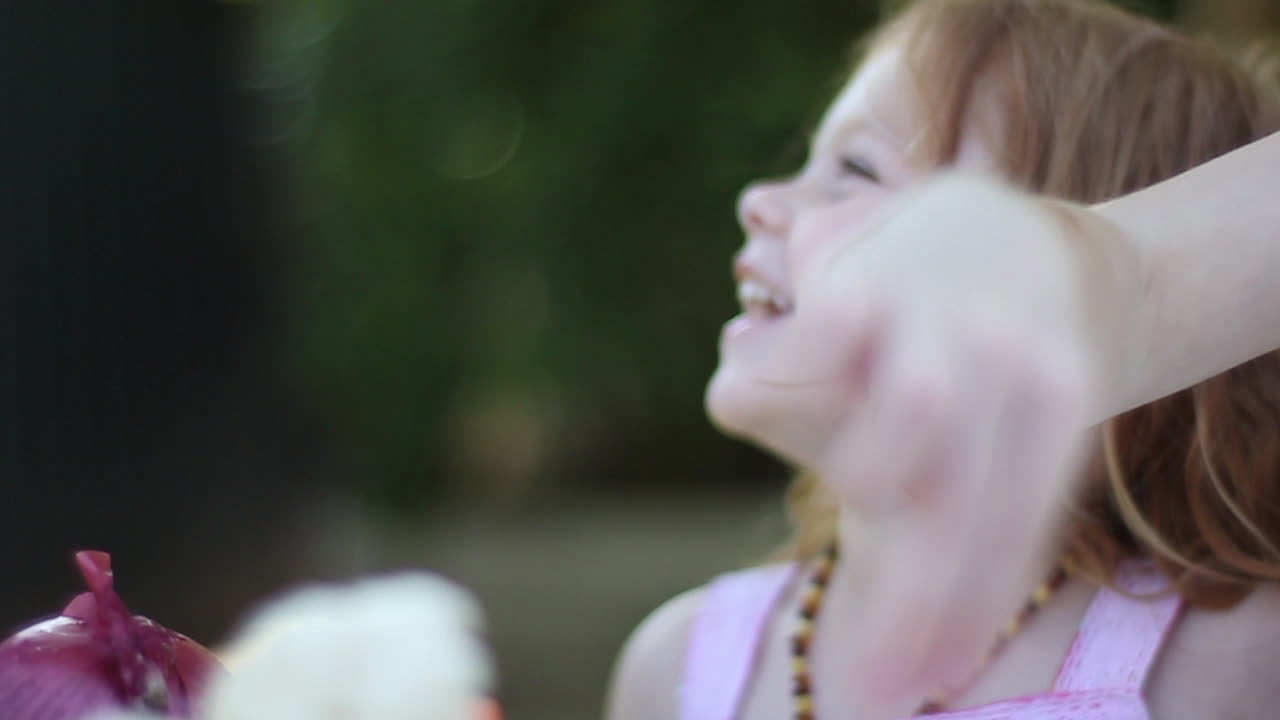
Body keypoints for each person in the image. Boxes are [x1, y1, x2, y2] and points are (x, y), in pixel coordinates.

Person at [606, 1, 1280, 718]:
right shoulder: (674, 667)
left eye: (855, 170)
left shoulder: (1226, 659)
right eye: (806, 162)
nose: (759, 200)